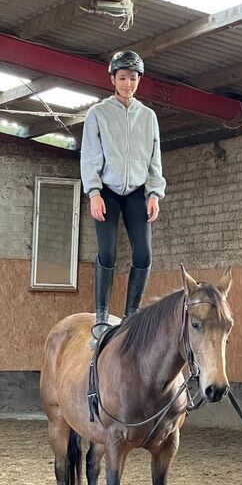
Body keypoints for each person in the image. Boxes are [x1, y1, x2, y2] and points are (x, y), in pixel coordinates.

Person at [80, 50, 166, 347]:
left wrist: (154, 193)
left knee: (144, 255)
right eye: (123, 78)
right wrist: (93, 192)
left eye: (133, 78)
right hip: (107, 191)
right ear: (113, 79)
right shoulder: (98, 114)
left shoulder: (149, 116)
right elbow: (90, 154)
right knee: (108, 253)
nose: (128, 83)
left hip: (137, 193)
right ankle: (101, 317)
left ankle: (131, 316)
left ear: (139, 80)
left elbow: (154, 158)